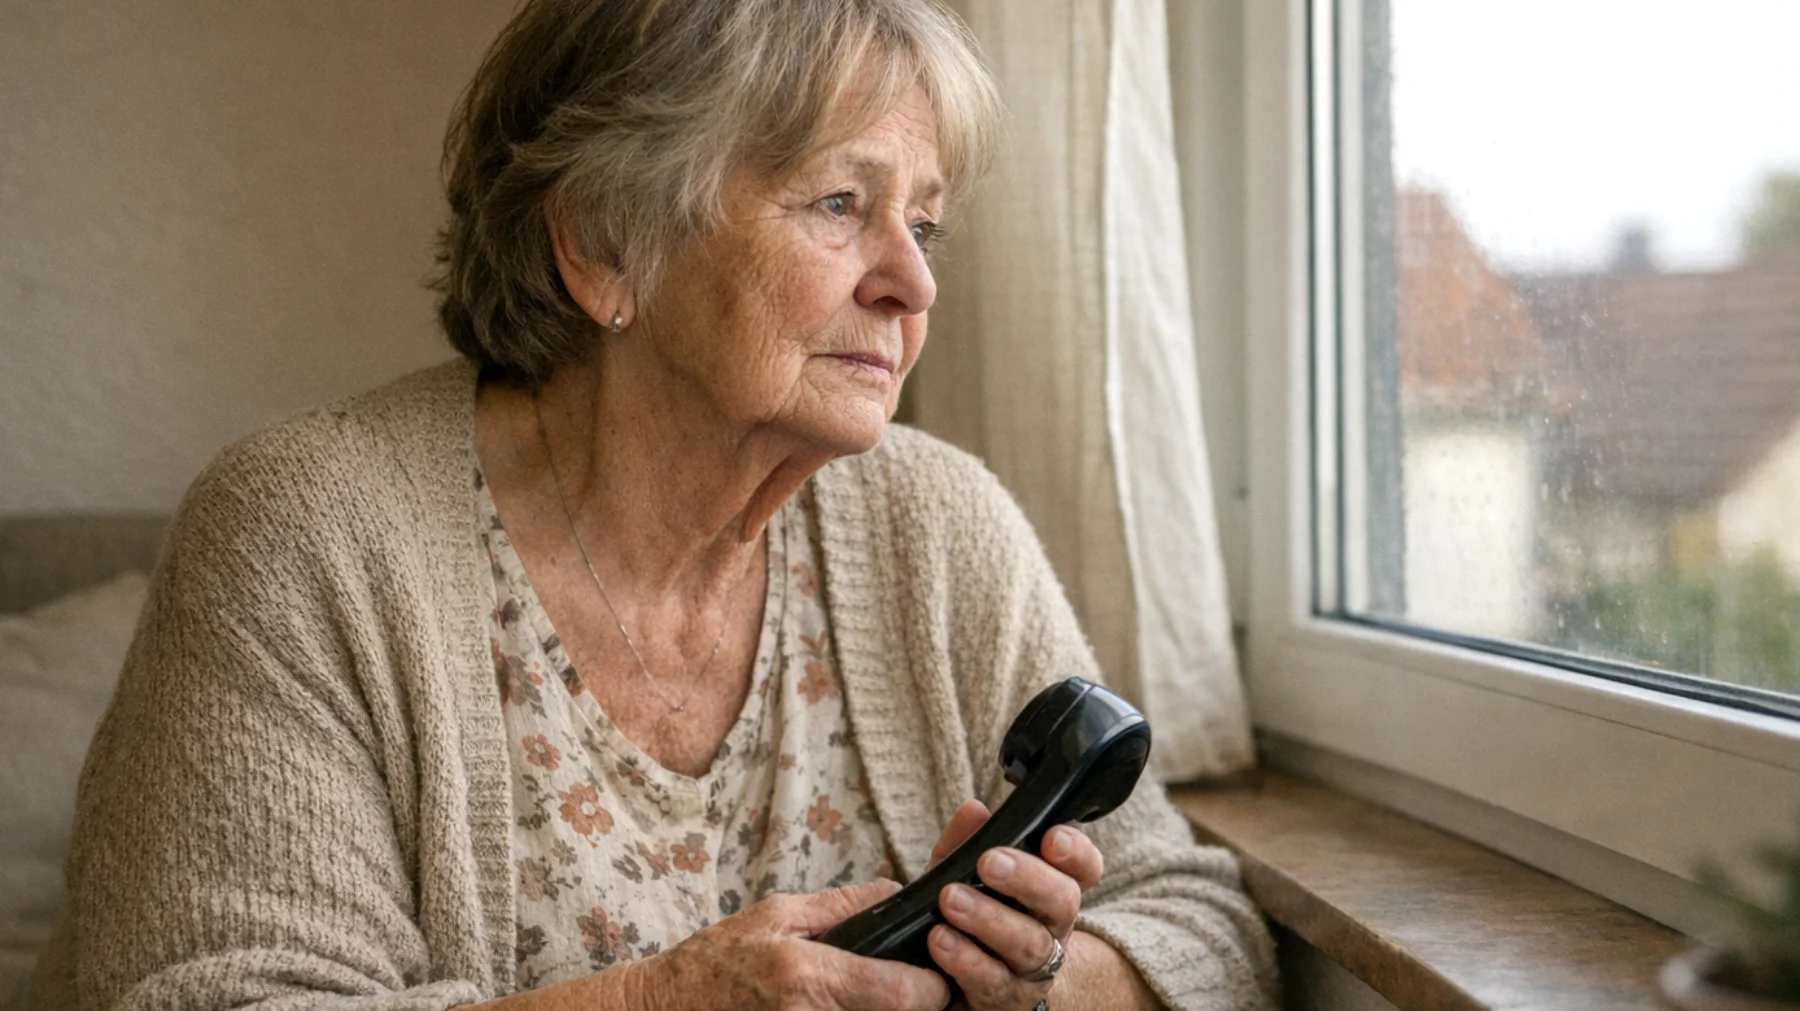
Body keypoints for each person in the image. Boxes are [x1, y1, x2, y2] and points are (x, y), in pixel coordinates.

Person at [32, 1, 1278, 1009]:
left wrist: (1039, 990)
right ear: (605, 248)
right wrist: (657, 1006)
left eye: (928, 224)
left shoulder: (935, 523)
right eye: (841, 205)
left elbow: (1204, 934)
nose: (910, 282)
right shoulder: (301, 534)